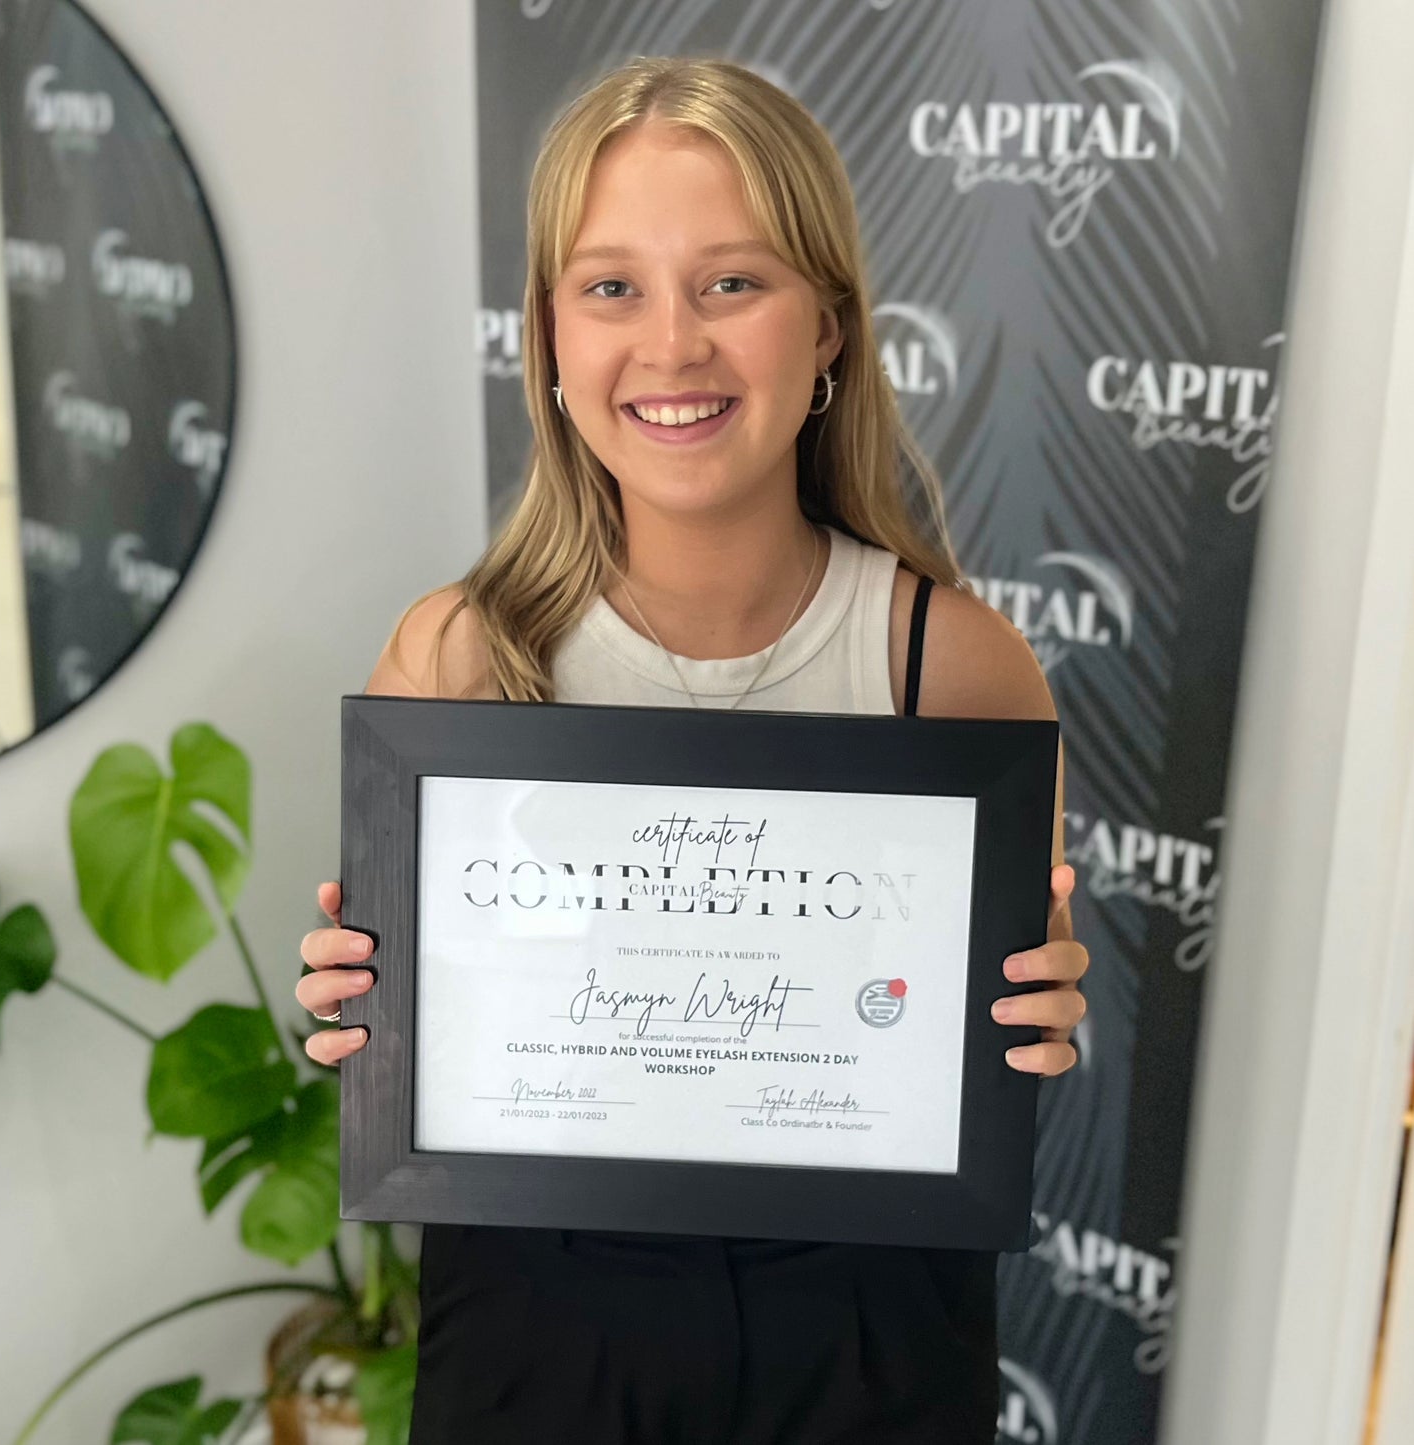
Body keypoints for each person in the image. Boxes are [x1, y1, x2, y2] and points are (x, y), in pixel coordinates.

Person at [296, 56, 1088, 1443]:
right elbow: (409, 1032)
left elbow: (989, 1043)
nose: (670, 345)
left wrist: (1032, 1018)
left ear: (829, 325)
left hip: (869, 1326)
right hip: (537, 1325)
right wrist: (364, 1009)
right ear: (548, 333)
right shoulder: (461, 659)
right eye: (611, 287)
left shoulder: (956, 668)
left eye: (731, 282)